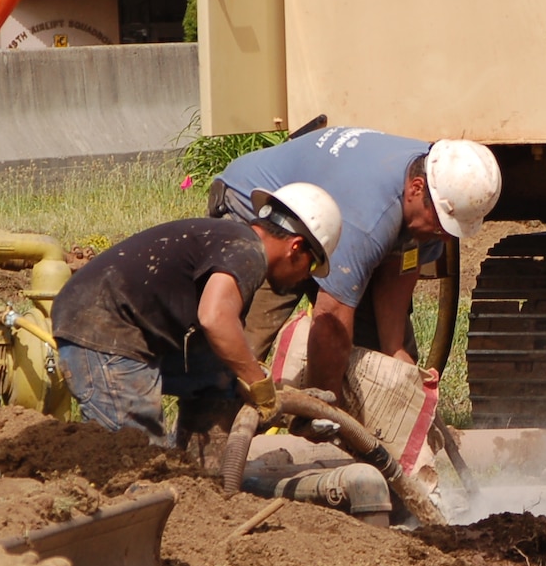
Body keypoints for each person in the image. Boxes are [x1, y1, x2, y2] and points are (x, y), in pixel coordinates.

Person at [211, 126, 501, 393]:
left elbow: (400, 270)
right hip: (261, 215)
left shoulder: (432, 191)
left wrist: (395, 353)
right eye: (441, 224)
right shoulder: (369, 217)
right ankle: (214, 434)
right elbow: (331, 317)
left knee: (377, 366)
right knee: (242, 351)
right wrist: (324, 407)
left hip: (326, 222)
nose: (445, 237)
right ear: (416, 189)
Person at [50, 183, 343, 446]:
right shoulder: (248, 251)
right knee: (141, 463)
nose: (307, 276)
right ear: (296, 247)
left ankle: (203, 477)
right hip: (103, 332)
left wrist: (290, 412)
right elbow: (215, 319)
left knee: (223, 377)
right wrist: (263, 391)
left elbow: (227, 356)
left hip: (116, 325)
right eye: (313, 267)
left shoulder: (231, 242)